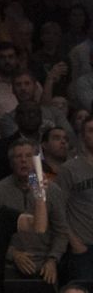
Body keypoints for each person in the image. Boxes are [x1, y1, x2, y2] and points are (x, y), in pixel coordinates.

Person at [0, 139, 67, 287]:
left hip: (44, 262)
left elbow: (61, 231)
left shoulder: (52, 190)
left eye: (28, 156)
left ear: (36, 161)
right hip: (10, 264)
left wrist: (53, 259)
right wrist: (12, 254)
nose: (23, 161)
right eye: (18, 157)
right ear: (10, 161)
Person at [56, 115, 93, 282]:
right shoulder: (69, 169)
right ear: (83, 136)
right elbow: (57, 210)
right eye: (91, 131)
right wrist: (75, 243)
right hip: (83, 246)